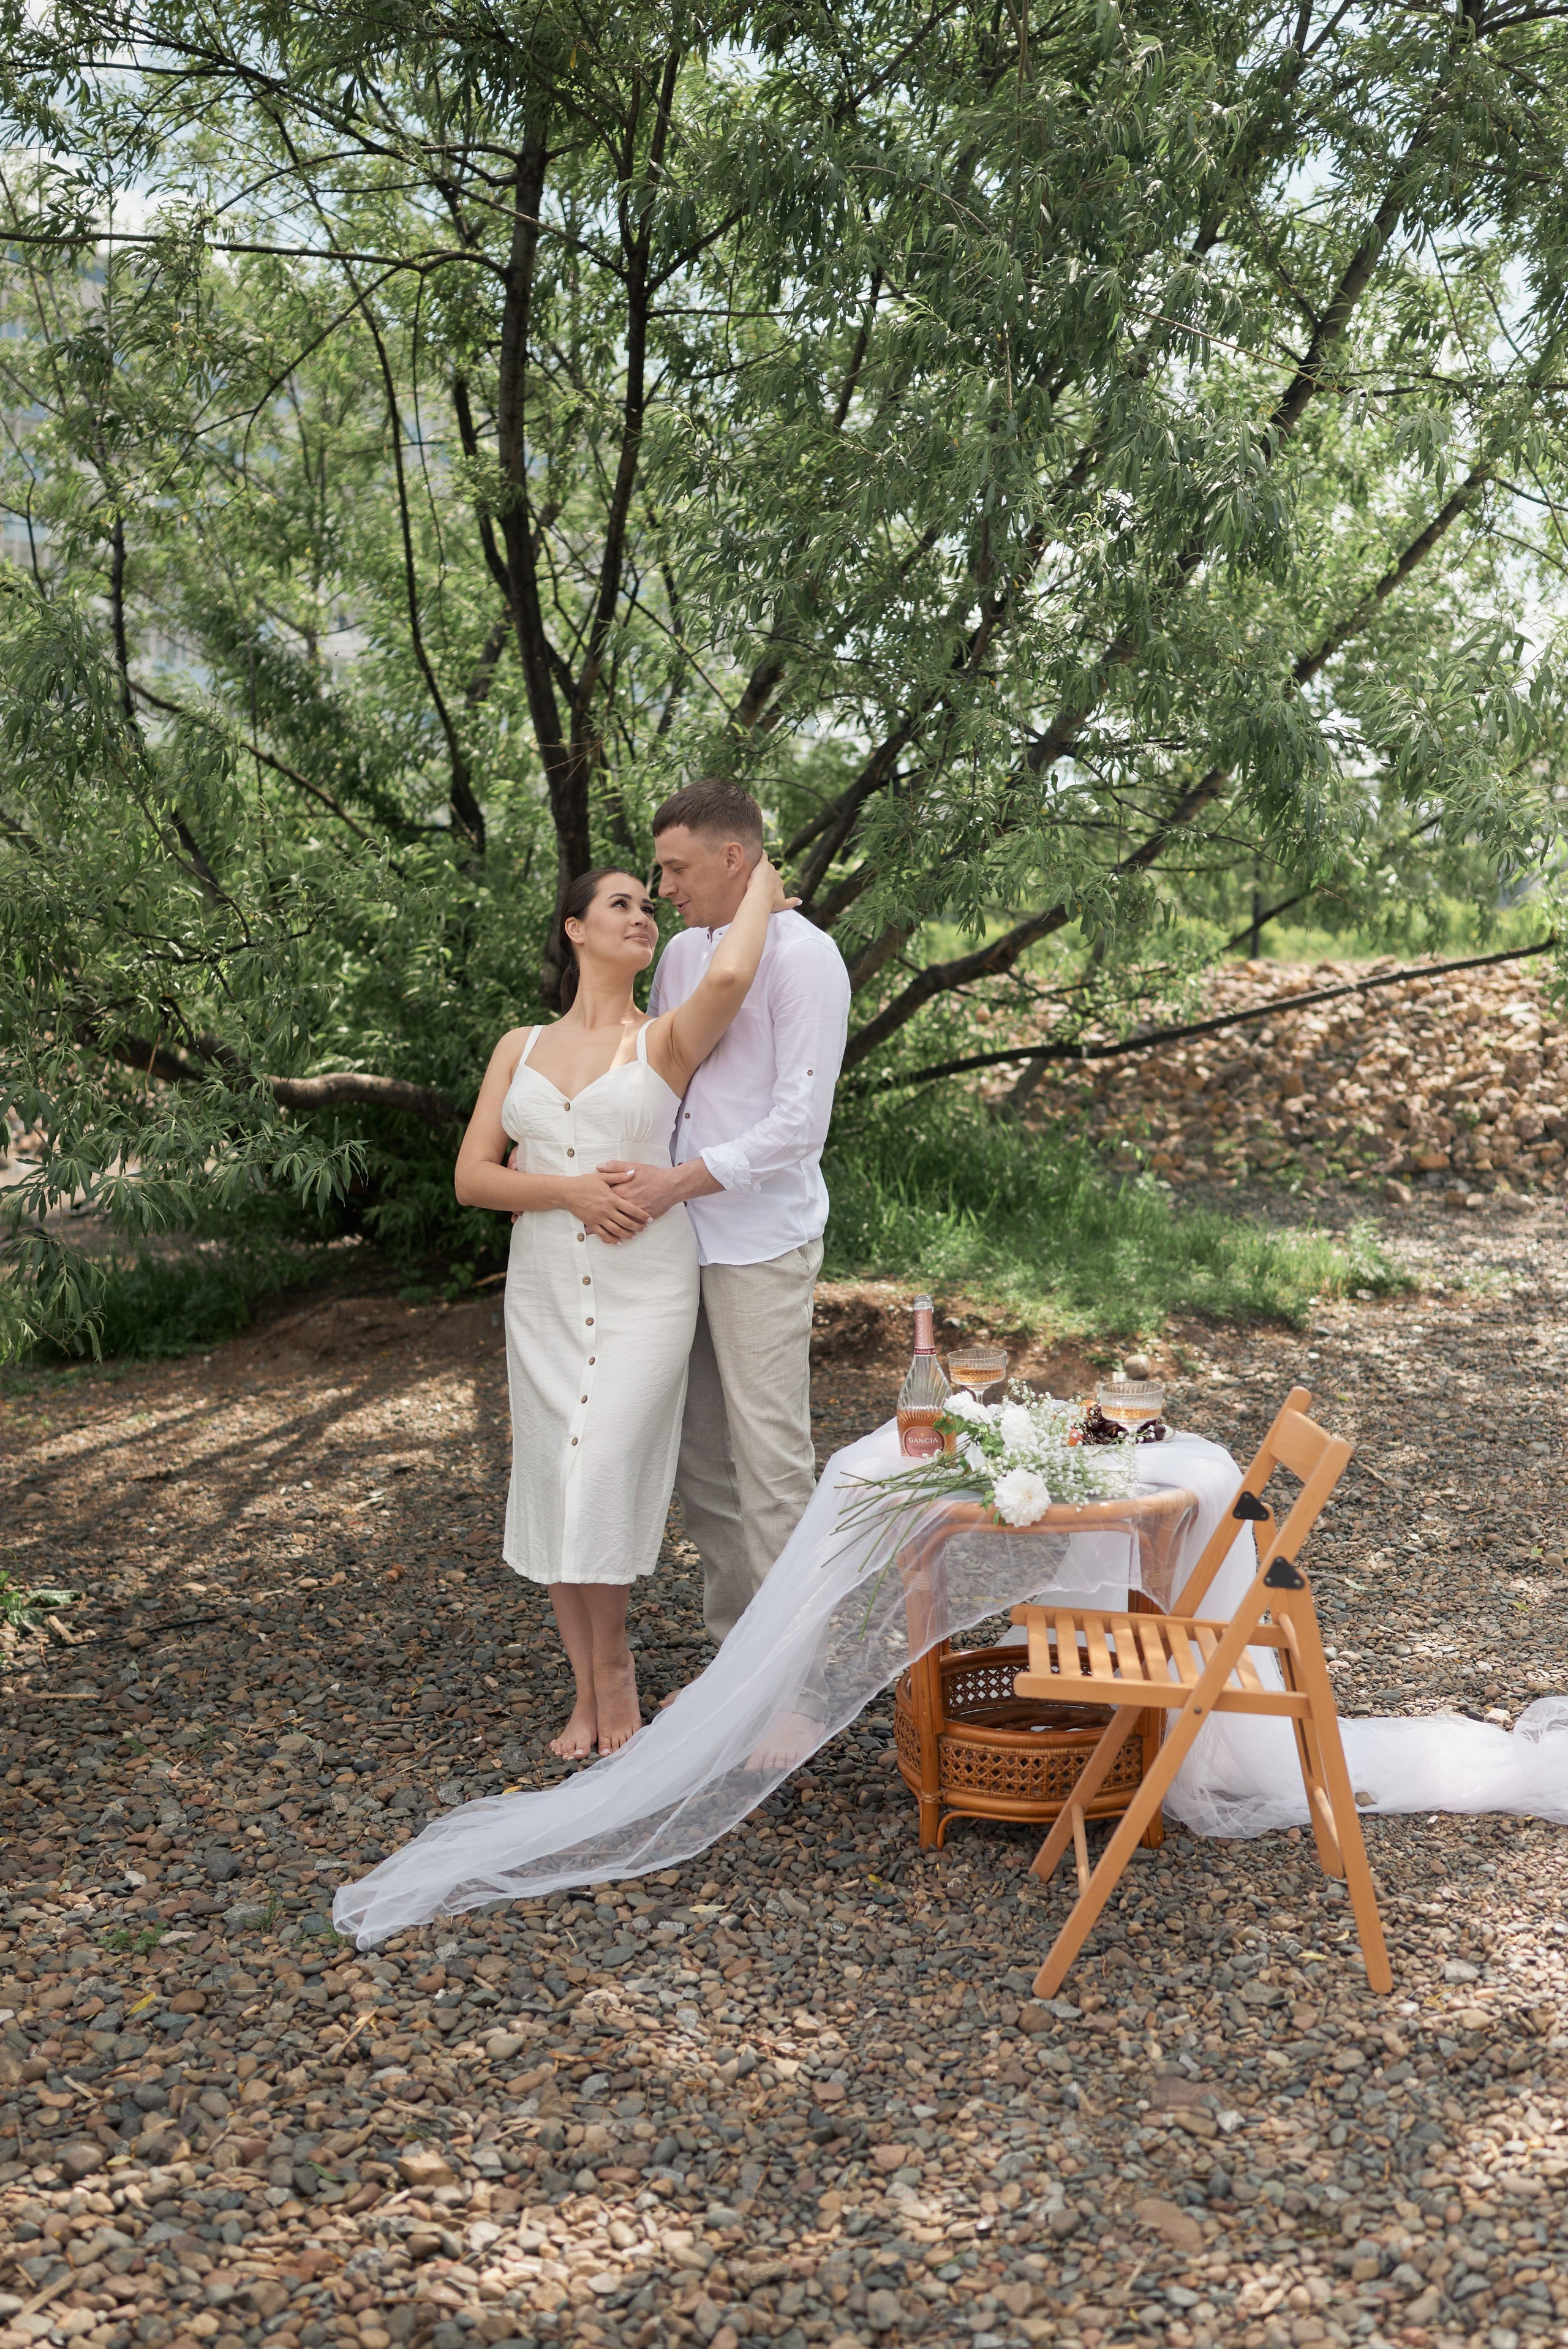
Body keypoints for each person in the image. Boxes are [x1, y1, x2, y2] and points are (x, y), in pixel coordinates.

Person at [453, 857, 797, 1762]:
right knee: (554, 1475)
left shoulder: (665, 1041)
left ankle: (615, 1671)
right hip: (543, 1290)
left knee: (600, 1467)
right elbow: (472, 1177)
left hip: (645, 1284)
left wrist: (759, 886)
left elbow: (730, 975)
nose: (643, 916)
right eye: (621, 904)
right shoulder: (519, 1046)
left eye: (650, 905)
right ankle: (590, 1685)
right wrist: (566, 1192)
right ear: (575, 929)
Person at [597, 779, 851, 1651]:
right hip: (674, 1245)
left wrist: (678, 1182)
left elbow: (800, 1125)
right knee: (700, 1466)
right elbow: (657, 1083)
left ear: (734, 858)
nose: (662, 888)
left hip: (759, 1243)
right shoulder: (679, 956)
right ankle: (737, 1655)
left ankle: (795, 1671)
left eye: (676, 869)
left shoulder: (805, 956)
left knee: (772, 1465)